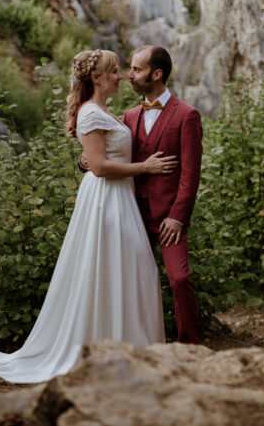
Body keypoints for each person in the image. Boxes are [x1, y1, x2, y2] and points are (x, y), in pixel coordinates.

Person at [0, 49, 174, 384]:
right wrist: (145, 167)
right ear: (97, 79)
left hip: (121, 198)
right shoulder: (90, 113)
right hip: (105, 201)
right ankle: (109, 349)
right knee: (116, 268)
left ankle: (135, 349)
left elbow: (93, 158)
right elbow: (98, 166)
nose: (120, 76)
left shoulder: (107, 112)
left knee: (134, 269)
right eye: (114, 71)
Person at [81, 45, 203, 344]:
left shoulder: (187, 115)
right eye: (129, 69)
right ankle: (135, 341)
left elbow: (191, 174)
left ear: (157, 74)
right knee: (131, 278)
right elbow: (114, 155)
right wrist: (85, 161)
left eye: (137, 69)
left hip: (168, 218)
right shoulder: (131, 115)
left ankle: (191, 346)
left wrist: (177, 217)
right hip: (131, 212)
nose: (129, 75)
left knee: (180, 278)